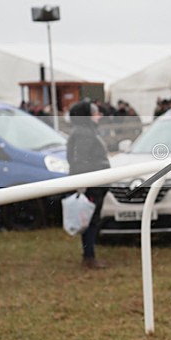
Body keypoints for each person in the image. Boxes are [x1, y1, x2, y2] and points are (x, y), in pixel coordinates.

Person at [66, 100, 111, 269]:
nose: (98, 115)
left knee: (92, 220)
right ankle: (89, 257)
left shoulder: (85, 131)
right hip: (92, 183)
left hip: (95, 182)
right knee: (90, 221)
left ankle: (90, 255)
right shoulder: (84, 133)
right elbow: (80, 161)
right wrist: (83, 184)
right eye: (94, 112)